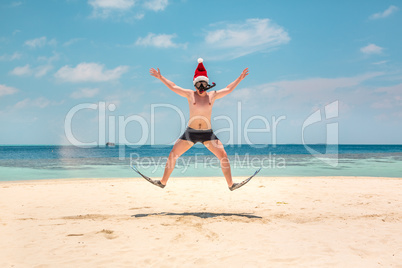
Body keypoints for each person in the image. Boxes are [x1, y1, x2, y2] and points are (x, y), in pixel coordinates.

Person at [149, 58, 249, 191]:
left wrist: (240, 78)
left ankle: (231, 185)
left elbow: (228, 89)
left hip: (207, 133)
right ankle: (162, 182)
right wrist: (161, 77)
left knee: (223, 156)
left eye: (203, 85)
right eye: (198, 85)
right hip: (191, 133)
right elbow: (173, 86)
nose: (201, 88)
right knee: (173, 154)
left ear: (207, 84)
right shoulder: (190, 95)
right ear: (195, 85)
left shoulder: (212, 95)